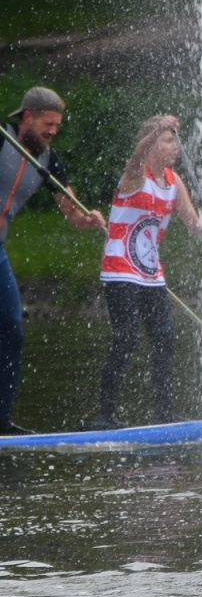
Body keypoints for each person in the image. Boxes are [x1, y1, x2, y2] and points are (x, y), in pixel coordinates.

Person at [0, 87, 108, 434]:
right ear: (27, 117)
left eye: (57, 126)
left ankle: (1, 419)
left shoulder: (48, 160)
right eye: (48, 124)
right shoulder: (2, 137)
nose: (52, 132)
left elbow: (71, 212)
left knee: (12, 330)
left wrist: (87, 218)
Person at [91, 115, 202, 427]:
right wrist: (156, 130)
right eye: (168, 140)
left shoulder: (173, 181)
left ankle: (165, 414)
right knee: (126, 339)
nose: (175, 146)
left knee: (165, 341)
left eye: (174, 139)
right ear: (153, 142)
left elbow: (194, 225)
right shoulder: (136, 174)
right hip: (120, 272)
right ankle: (105, 417)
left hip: (152, 276)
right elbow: (137, 155)